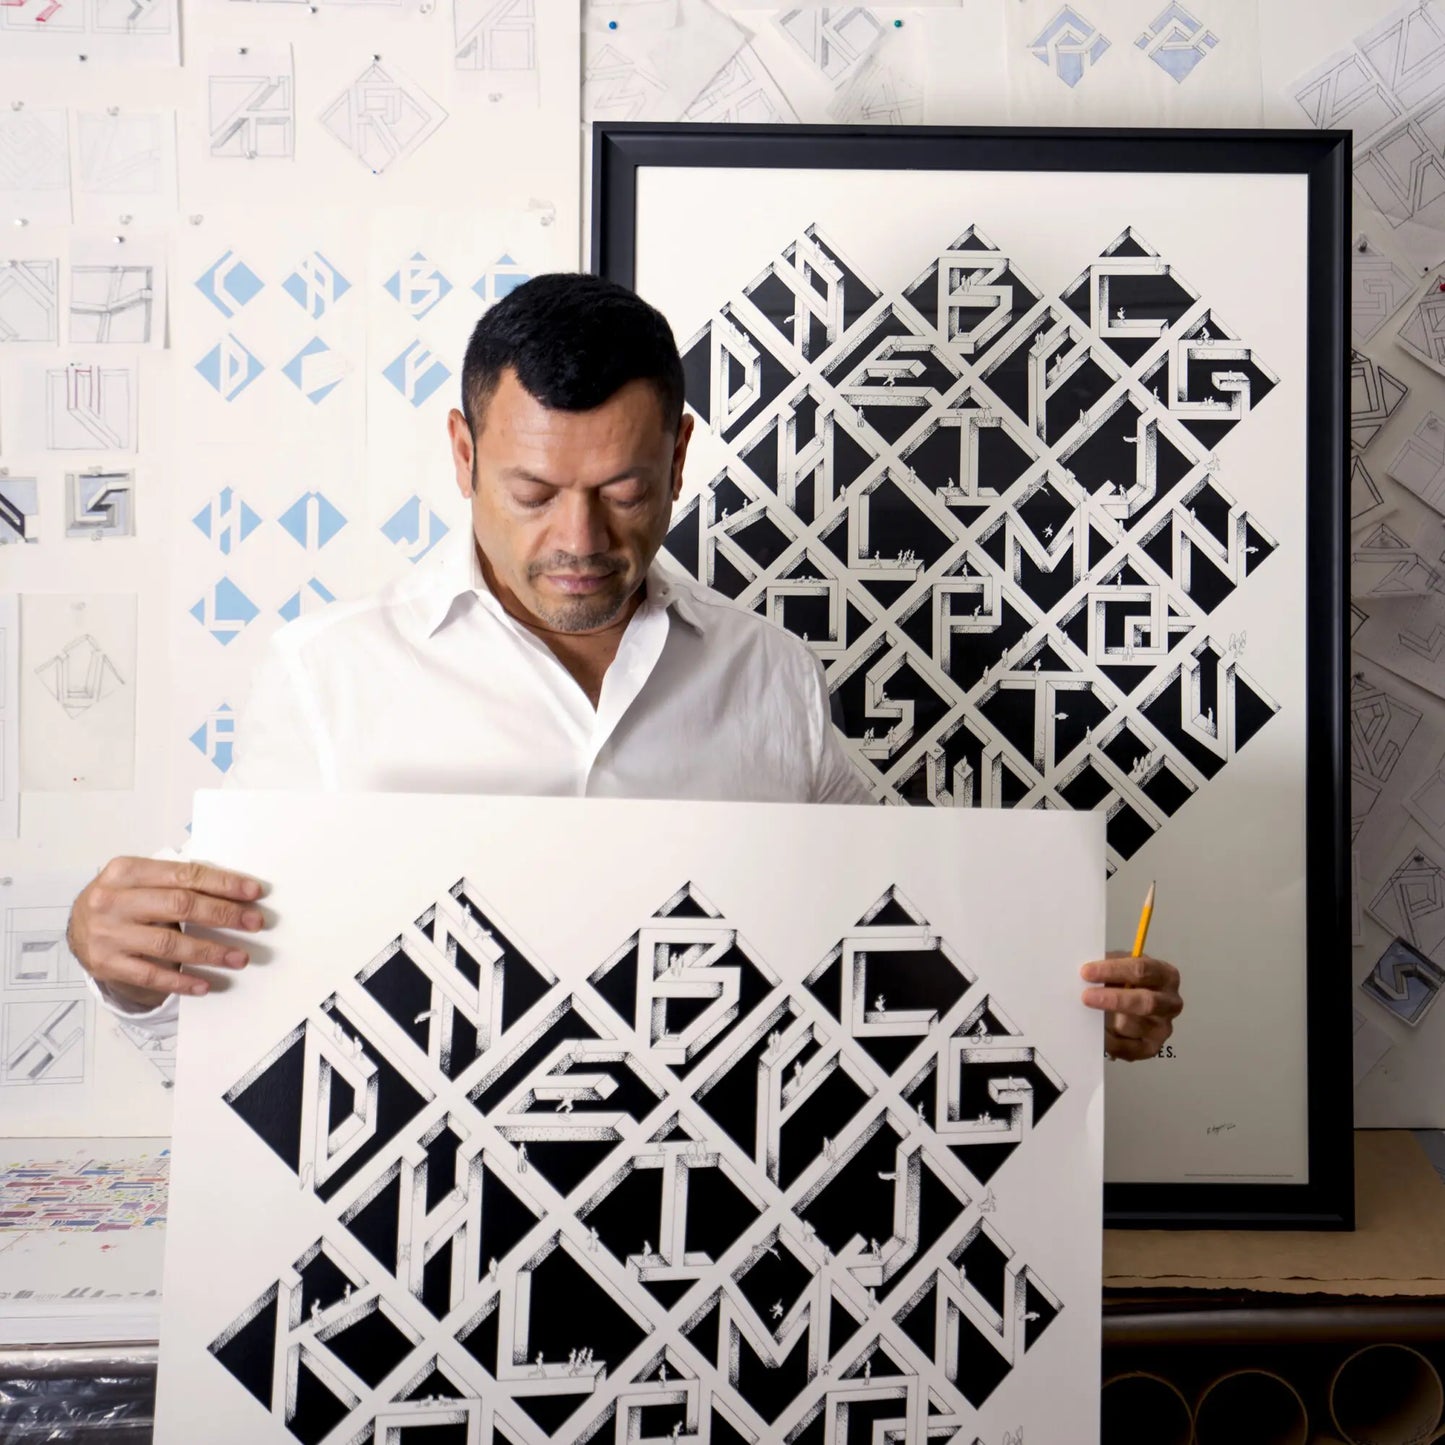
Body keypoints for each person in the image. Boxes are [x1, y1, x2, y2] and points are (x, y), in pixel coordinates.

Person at [65, 273, 1182, 1063]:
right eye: (534, 491)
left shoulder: (770, 677)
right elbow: (207, 1018)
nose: (580, 541)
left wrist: (1074, 1001)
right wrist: (119, 960)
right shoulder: (324, 677)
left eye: (625, 489)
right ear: (461, 454)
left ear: (681, 454)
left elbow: (905, 943)